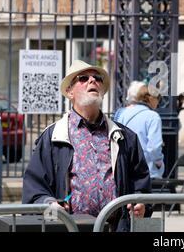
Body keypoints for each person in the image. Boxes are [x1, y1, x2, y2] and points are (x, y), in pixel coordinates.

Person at [22, 60, 151, 232]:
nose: (92, 81)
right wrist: (50, 206)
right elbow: (34, 188)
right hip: (70, 227)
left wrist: (141, 204)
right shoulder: (52, 137)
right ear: (69, 92)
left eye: (97, 78)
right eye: (83, 78)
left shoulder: (125, 137)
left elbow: (141, 184)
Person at [114, 81, 165, 179]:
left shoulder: (123, 113)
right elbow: (154, 148)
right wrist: (159, 163)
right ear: (150, 98)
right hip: (146, 170)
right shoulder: (153, 116)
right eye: (158, 98)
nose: (158, 102)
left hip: (126, 167)